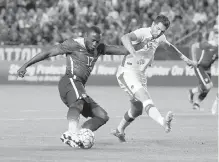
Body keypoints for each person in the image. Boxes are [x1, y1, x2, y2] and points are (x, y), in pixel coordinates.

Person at [17, 26, 129, 148]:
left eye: (97, 41)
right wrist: (25, 65)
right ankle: (71, 133)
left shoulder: (99, 48)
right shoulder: (73, 44)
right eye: (93, 40)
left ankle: (81, 136)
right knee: (79, 102)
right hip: (69, 81)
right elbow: (48, 52)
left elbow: (120, 50)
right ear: (85, 37)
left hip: (79, 86)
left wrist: (139, 49)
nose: (95, 44)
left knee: (102, 116)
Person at [111, 15, 197, 142]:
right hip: (127, 72)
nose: (159, 33)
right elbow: (125, 37)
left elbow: (169, 46)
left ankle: (119, 130)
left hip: (140, 75)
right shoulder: (142, 32)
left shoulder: (160, 37)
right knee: (145, 99)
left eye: (162, 31)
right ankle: (164, 122)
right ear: (152, 24)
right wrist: (134, 54)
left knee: (137, 109)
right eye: (157, 29)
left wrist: (184, 58)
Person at [188, 28, 218, 110]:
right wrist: (194, 60)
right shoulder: (208, 44)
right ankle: (193, 91)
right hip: (199, 66)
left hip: (208, 69)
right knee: (209, 85)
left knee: (207, 89)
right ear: (214, 38)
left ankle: (196, 103)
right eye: (217, 37)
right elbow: (194, 46)